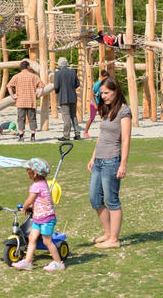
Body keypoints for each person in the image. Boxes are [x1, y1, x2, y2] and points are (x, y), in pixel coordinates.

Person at [88, 75, 132, 248]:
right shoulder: (106, 109)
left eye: (106, 93)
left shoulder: (124, 111)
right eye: (102, 93)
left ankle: (114, 239)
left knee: (112, 200)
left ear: (116, 91)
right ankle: (107, 234)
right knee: (95, 199)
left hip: (111, 161)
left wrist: (123, 164)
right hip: (99, 160)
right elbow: (102, 135)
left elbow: (126, 140)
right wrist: (93, 157)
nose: (103, 96)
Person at [11, 157, 65, 272]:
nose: (26, 172)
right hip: (38, 218)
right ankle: (28, 262)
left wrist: (25, 207)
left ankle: (58, 263)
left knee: (47, 241)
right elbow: (40, 200)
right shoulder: (42, 183)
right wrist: (32, 207)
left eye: (27, 170)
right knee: (32, 238)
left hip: (46, 219)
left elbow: (30, 199)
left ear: (34, 173)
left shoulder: (36, 186)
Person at [5, 60, 43, 142]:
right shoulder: (33, 76)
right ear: (28, 67)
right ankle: (33, 136)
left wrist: (12, 95)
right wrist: (38, 95)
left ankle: (21, 137)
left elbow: (9, 86)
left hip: (20, 101)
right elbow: (41, 86)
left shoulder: (16, 76)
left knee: (21, 119)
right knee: (32, 119)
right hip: (31, 100)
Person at [52, 57, 81, 141]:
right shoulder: (73, 72)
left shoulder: (58, 73)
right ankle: (77, 134)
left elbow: (56, 86)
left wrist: (58, 92)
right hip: (73, 96)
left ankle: (66, 135)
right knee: (74, 116)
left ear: (59, 64)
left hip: (63, 97)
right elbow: (77, 84)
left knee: (66, 117)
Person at [83, 70, 109, 138]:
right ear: (102, 77)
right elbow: (92, 94)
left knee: (104, 118)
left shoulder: (107, 85)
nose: (106, 79)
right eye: (105, 78)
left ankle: (105, 132)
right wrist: (95, 104)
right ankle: (85, 132)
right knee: (92, 118)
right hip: (94, 103)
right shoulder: (97, 84)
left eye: (107, 78)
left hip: (101, 104)